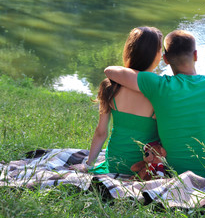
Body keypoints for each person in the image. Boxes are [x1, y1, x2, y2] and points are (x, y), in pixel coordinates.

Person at [104, 30, 205, 182]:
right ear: (195, 55)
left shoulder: (159, 86)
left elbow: (110, 71)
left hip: (177, 176)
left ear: (166, 59)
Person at [70, 27, 163, 175]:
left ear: (129, 50)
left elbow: (101, 132)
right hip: (146, 168)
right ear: (155, 54)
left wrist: (88, 165)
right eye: (160, 49)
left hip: (115, 163)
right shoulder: (159, 90)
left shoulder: (110, 86)